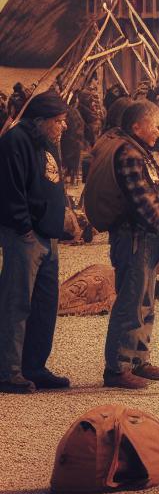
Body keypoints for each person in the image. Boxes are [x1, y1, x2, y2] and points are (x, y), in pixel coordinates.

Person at [89, 100, 159, 387]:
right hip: (135, 238)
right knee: (130, 301)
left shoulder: (136, 150)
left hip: (144, 238)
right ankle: (117, 367)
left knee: (146, 300)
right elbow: (144, 203)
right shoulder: (129, 153)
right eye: (156, 126)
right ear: (137, 126)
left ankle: (139, 360)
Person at [0, 92, 73, 393]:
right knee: (16, 304)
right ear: (41, 120)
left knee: (44, 304)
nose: (63, 126)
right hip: (24, 236)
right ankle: (8, 370)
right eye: (58, 121)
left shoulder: (45, 141)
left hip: (48, 235)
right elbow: (10, 189)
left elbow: (53, 184)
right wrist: (25, 228)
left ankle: (34, 366)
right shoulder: (15, 141)